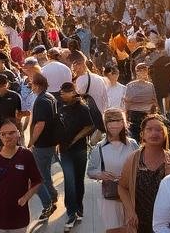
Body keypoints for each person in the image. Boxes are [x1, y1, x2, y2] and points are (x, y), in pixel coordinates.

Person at [119, 114, 170, 233]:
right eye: (149, 129)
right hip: (141, 221)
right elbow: (122, 187)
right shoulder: (133, 159)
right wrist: (130, 211)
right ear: (142, 134)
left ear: (165, 134)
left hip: (168, 223)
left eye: (159, 130)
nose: (154, 133)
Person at [0, 118, 43, 233]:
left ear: (19, 133)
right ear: (0, 137)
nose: (7, 136)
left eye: (11, 133)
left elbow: (37, 180)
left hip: (19, 219)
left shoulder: (26, 155)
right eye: (3, 134)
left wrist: (26, 197)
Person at [58, 81, 104, 231]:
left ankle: (79, 208)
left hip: (79, 150)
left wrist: (75, 139)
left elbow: (90, 126)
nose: (62, 94)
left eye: (66, 91)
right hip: (64, 151)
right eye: (62, 91)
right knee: (69, 181)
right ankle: (71, 213)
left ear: (73, 92)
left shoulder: (82, 108)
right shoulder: (60, 106)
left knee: (78, 181)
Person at [88, 108, 139, 233]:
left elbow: (140, 165)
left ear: (123, 123)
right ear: (105, 124)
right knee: (113, 229)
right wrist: (100, 175)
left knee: (132, 228)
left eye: (118, 121)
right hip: (111, 196)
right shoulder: (99, 147)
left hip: (132, 194)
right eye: (110, 121)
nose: (114, 124)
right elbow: (90, 171)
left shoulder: (132, 144)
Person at [28, 74, 63, 222]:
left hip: (42, 145)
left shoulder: (42, 101)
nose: (31, 87)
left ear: (37, 85)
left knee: (35, 178)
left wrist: (31, 142)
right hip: (50, 143)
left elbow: (40, 124)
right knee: (45, 173)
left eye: (32, 84)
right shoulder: (50, 97)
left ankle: (47, 203)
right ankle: (53, 196)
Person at [124, 62, 159, 130]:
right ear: (137, 72)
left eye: (145, 70)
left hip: (147, 114)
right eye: (140, 70)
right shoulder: (129, 86)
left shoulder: (150, 85)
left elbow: (154, 102)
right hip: (134, 115)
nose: (143, 72)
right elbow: (126, 103)